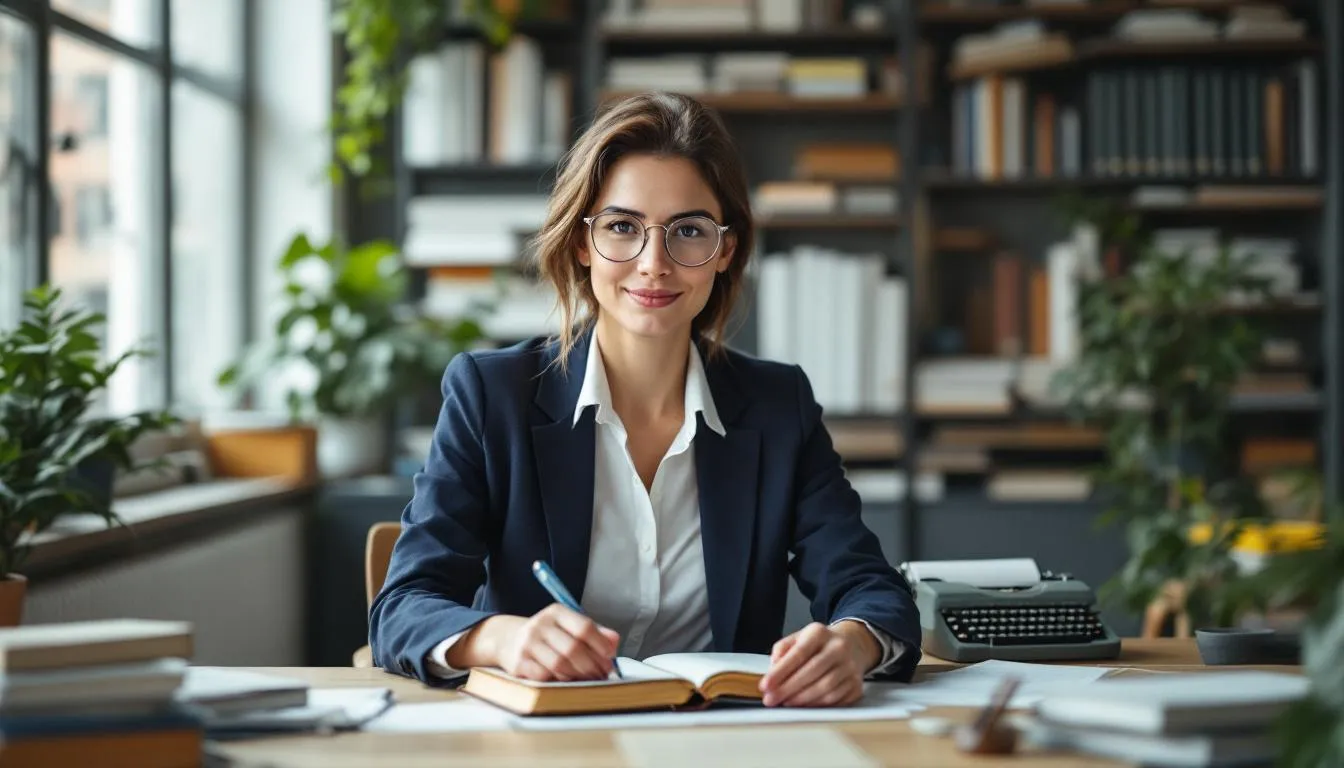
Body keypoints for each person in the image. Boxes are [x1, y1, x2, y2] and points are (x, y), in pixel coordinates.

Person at [369, 91, 922, 708]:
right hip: (550, 734)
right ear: (582, 244)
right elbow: (403, 607)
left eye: (688, 231)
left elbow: (871, 588)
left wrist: (851, 644)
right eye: (622, 227)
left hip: (724, 733)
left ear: (725, 251)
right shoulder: (492, 395)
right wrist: (504, 639)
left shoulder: (777, 406)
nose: (654, 263)